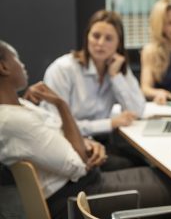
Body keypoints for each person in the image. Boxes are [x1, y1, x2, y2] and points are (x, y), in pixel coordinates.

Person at [0, 40, 171, 219]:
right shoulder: (15, 121)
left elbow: (58, 133)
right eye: (16, 59)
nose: (23, 65)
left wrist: (85, 142)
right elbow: (78, 165)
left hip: (83, 182)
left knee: (161, 173)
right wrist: (62, 106)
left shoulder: (21, 105)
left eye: (109, 38)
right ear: (4, 67)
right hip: (75, 196)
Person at [43, 10, 146, 169]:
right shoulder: (63, 69)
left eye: (109, 38)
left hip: (101, 143)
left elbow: (137, 111)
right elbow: (56, 124)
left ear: (118, 43)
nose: (100, 43)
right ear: (87, 37)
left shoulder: (116, 68)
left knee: (145, 162)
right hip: (69, 146)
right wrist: (109, 123)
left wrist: (115, 77)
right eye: (96, 36)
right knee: (137, 167)